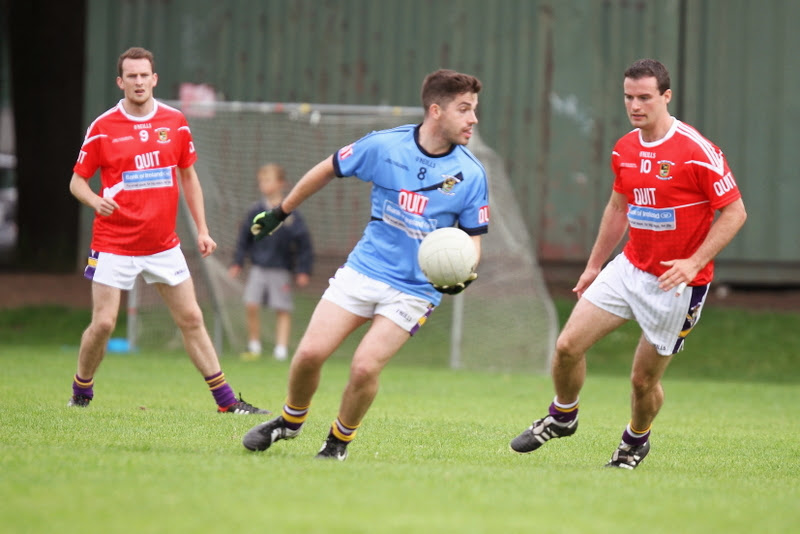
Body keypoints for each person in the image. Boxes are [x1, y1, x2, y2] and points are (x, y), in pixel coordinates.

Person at [510, 58, 747, 469]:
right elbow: (618, 207)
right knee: (567, 347)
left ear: (666, 97)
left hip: (677, 285)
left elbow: (736, 212)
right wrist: (593, 266)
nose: (635, 105)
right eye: (628, 97)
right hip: (629, 267)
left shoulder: (696, 151)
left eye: (644, 97)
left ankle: (635, 441)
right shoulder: (625, 147)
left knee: (643, 382)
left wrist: (693, 262)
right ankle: (563, 415)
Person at [242, 69, 489, 460]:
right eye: (465, 109)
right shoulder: (384, 146)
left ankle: (337, 443)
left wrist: (464, 272)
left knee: (363, 368)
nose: (474, 118)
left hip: (415, 290)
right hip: (365, 269)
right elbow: (328, 168)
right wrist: (281, 212)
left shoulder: (471, 174)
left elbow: (473, 237)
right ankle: (289, 423)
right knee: (307, 355)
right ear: (436, 110)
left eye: (474, 109)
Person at [67, 46, 269, 415]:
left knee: (191, 318)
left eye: (145, 75)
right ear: (121, 81)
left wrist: (203, 230)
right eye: (132, 76)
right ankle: (82, 390)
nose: (139, 81)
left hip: (162, 244)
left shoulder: (175, 122)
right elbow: (77, 182)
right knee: (104, 323)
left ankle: (227, 403)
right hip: (114, 242)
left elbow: (189, 178)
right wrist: (95, 201)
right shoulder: (103, 127)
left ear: (154, 79)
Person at [228, 163, 313, 361]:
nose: (264, 185)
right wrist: (238, 262)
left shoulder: (291, 213)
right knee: (251, 303)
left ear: (281, 183)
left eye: (268, 180)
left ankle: (281, 350)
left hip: (281, 269)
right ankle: (254, 346)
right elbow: (244, 238)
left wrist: (303, 269)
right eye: (261, 181)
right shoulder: (255, 211)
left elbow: (304, 243)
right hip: (258, 267)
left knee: (282, 308)